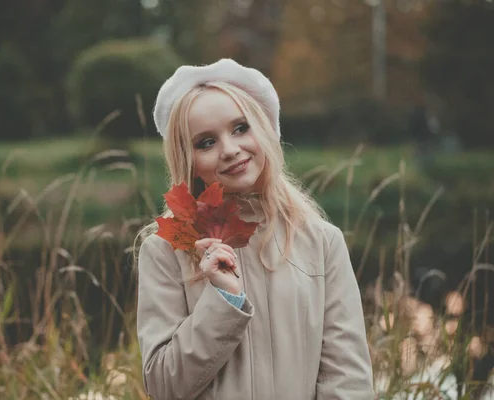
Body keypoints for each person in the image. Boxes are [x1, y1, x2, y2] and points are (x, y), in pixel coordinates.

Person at [135, 58, 373, 399]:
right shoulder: (165, 250)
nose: (230, 150)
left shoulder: (322, 242)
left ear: (265, 129)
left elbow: (349, 382)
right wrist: (222, 300)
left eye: (240, 128)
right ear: (188, 160)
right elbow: (163, 386)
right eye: (206, 142)